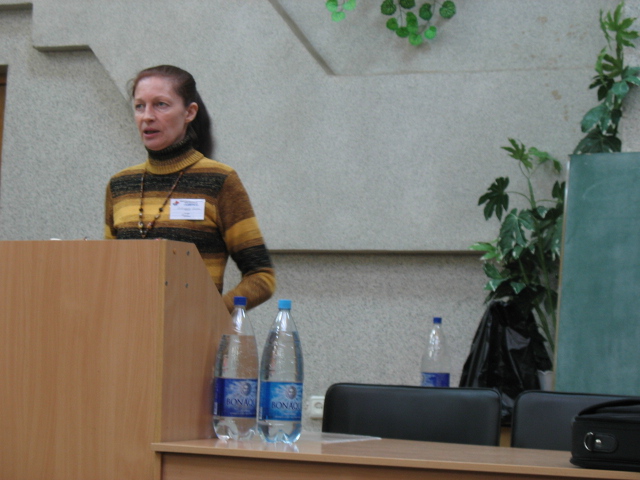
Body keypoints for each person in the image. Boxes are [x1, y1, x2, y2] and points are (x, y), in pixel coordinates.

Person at [104, 65, 275, 311]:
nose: (147, 116)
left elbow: (261, 276)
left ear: (189, 112)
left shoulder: (219, 180)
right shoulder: (120, 185)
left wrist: (213, 314)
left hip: (193, 333)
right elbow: (109, 272)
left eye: (160, 104)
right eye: (140, 106)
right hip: (127, 330)